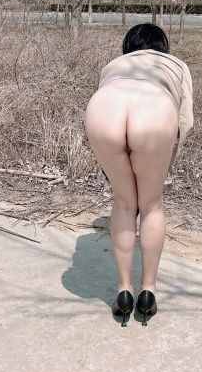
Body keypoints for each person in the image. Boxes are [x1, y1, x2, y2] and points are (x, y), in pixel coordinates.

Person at [83, 22, 194, 326]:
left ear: (128, 47)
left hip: (104, 108)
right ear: (163, 48)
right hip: (155, 109)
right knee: (151, 205)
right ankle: (148, 290)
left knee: (124, 202)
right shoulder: (176, 65)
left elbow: (103, 92)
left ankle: (123, 290)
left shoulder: (114, 65)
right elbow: (185, 121)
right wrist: (167, 159)